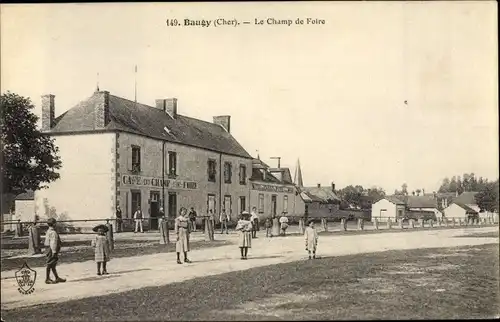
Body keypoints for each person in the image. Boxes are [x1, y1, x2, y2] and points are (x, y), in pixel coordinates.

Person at [44, 218, 66, 284]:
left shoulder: (48, 231)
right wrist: (54, 251)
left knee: (53, 264)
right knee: (50, 263)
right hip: (51, 249)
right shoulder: (53, 232)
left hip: (49, 248)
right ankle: (47, 279)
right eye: (55, 223)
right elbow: (53, 243)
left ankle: (57, 277)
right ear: (54, 224)